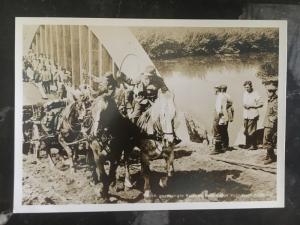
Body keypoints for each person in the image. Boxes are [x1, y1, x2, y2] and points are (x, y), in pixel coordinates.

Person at [243, 81, 263, 150]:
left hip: (253, 114)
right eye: (245, 87)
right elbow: (244, 103)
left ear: (251, 86)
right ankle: (247, 144)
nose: (246, 89)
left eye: (248, 87)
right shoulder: (245, 93)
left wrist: (251, 106)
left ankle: (254, 145)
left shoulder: (256, 93)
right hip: (246, 114)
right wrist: (245, 105)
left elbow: (261, 104)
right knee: (246, 130)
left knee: (251, 130)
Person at [262, 80, 278, 164]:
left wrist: (273, 118)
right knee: (267, 140)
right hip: (267, 123)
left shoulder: (276, 101)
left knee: (268, 141)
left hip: (271, 124)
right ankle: (269, 155)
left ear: (272, 92)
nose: (267, 93)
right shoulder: (271, 100)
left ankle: (272, 157)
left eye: (268, 92)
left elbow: (278, 113)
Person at [210, 85, 229, 154]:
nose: (214, 92)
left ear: (218, 90)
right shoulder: (225, 96)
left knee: (217, 132)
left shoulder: (219, 97)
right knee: (223, 131)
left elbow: (219, 111)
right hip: (224, 117)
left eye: (214, 90)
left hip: (220, 117)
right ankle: (225, 146)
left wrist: (216, 120)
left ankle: (217, 149)